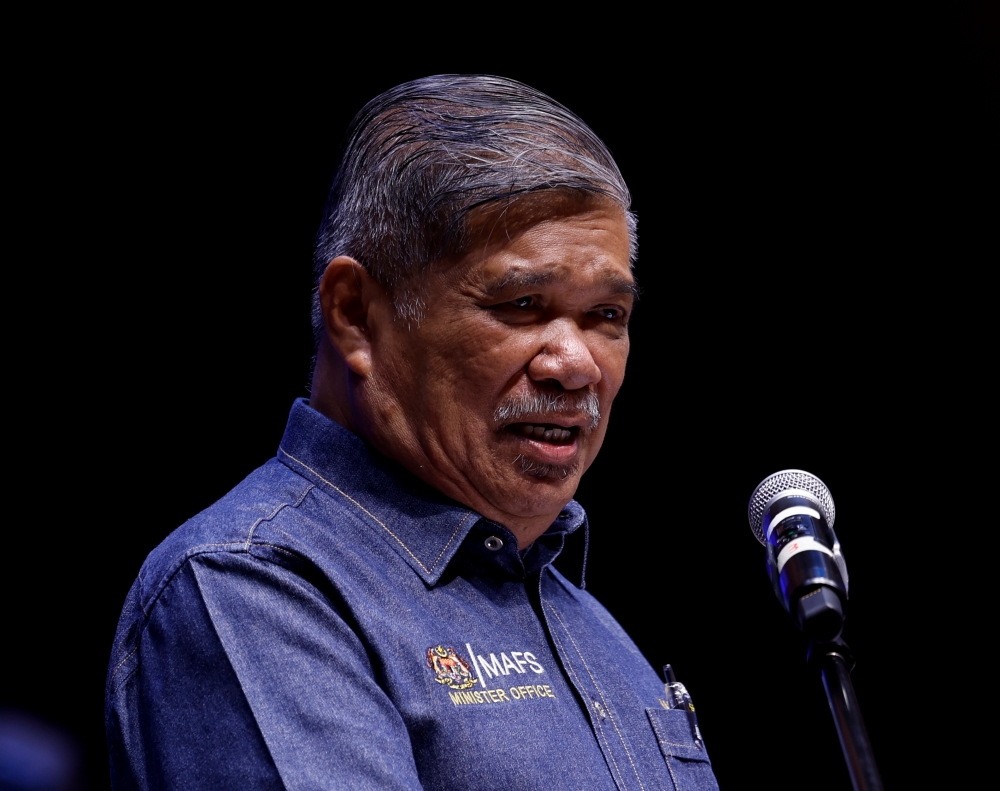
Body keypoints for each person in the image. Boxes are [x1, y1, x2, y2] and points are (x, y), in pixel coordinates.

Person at [105, 74, 720, 790]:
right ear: (355, 314)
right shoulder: (251, 588)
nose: (578, 364)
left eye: (606, 316)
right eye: (523, 304)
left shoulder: (590, 623)